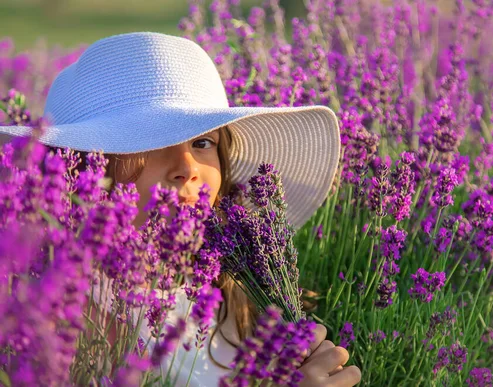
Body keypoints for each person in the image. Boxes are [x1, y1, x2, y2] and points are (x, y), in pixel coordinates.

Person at [0, 32, 361, 386]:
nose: (187, 168)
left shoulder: (242, 295)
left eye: (203, 142)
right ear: (81, 171)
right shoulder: (67, 319)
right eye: (151, 143)